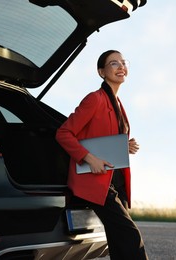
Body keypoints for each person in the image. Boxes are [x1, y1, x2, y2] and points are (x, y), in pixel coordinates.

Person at [56, 50, 148, 259]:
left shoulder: (118, 103)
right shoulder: (94, 99)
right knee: (130, 236)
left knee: (118, 242)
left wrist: (124, 147)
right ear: (101, 72)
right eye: (114, 63)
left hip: (116, 180)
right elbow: (63, 133)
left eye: (123, 62)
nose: (121, 67)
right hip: (96, 181)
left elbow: (101, 138)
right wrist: (89, 158)